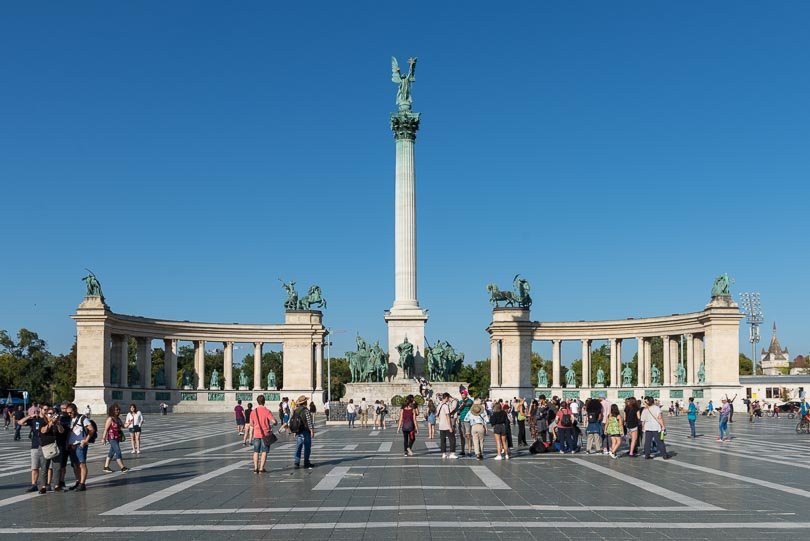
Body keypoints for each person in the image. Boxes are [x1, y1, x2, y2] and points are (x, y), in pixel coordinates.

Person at [19, 404, 48, 493]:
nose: (46, 411)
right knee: (34, 467)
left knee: (46, 467)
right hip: (35, 446)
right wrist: (29, 416)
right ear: (41, 409)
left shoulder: (48, 420)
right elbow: (20, 422)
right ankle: (34, 485)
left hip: (46, 446)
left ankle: (47, 484)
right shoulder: (34, 419)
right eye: (45, 409)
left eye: (48, 410)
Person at [66, 402, 94, 491]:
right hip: (72, 445)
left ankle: (82, 484)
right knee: (75, 465)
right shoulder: (70, 419)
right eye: (68, 413)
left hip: (80, 445)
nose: (69, 414)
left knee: (82, 464)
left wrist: (85, 440)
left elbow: (91, 429)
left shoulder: (83, 418)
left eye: (70, 412)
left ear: (75, 410)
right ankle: (78, 481)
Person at [250, 394, 278, 474]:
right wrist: (275, 422)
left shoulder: (253, 412)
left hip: (256, 434)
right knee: (264, 451)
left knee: (256, 451)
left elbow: (251, 424)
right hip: (265, 434)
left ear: (257, 402)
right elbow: (274, 421)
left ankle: (255, 468)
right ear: (264, 402)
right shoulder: (267, 411)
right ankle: (261, 468)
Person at [101, 403, 130, 474]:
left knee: (111, 452)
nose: (117, 411)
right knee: (118, 451)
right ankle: (122, 467)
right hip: (111, 438)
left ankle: (106, 467)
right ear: (112, 411)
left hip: (117, 438)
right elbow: (106, 429)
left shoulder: (118, 419)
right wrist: (103, 438)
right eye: (116, 410)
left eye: (118, 410)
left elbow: (123, 426)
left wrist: (128, 423)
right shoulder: (110, 419)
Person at [292, 395, 315, 469]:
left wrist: (294, 431)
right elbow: (309, 421)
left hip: (298, 431)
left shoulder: (296, 410)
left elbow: (293, 421)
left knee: (298, 447)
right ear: (305, 402)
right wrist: (312, 430)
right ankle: (306, 462)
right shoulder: (306, 410)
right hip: (305, 430)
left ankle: (297, 462)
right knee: (307, 447)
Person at [437, 393, 458, 459]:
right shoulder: (445, 406)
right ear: (446, 398)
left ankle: (443, 454)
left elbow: (437, 416)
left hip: (441, 425)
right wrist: (450, 427)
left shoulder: (439, 405)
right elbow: (448, 416)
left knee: (442, 440)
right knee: (452, 439)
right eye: (448, 398)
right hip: (446, 425)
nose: (449, 400)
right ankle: (452, 453)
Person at [456, 390, 474, 456]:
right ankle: (462, 450)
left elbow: (469, 404)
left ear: (466, 395)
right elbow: (457, 410)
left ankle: (469, 451)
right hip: (461, 419)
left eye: (463, 394)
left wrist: (463, 404)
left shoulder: (470, 401)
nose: (462, 396)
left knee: (468, 435)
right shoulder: (460, 401)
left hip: (467, 420)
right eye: (461, 395)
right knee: (462, 436)